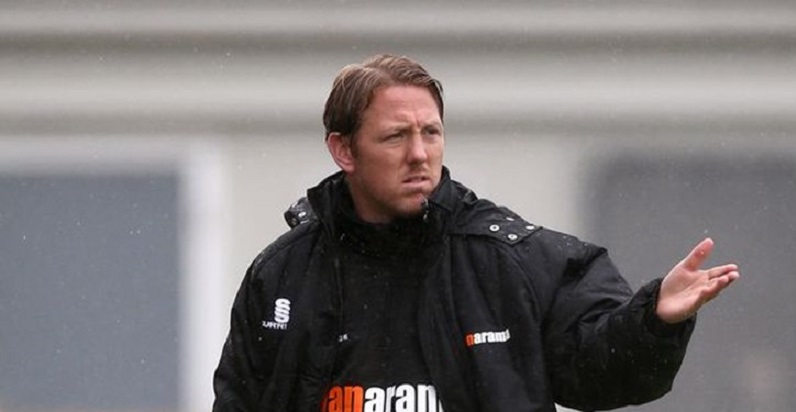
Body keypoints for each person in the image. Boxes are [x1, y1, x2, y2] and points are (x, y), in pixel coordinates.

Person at [212, 54, 740, 412]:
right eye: (395, 137)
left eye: (431, 133)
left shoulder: (512, 259)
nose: (419, 154)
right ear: (343, 150)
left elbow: (601, 376)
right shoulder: (281, 276)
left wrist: (652, 321)